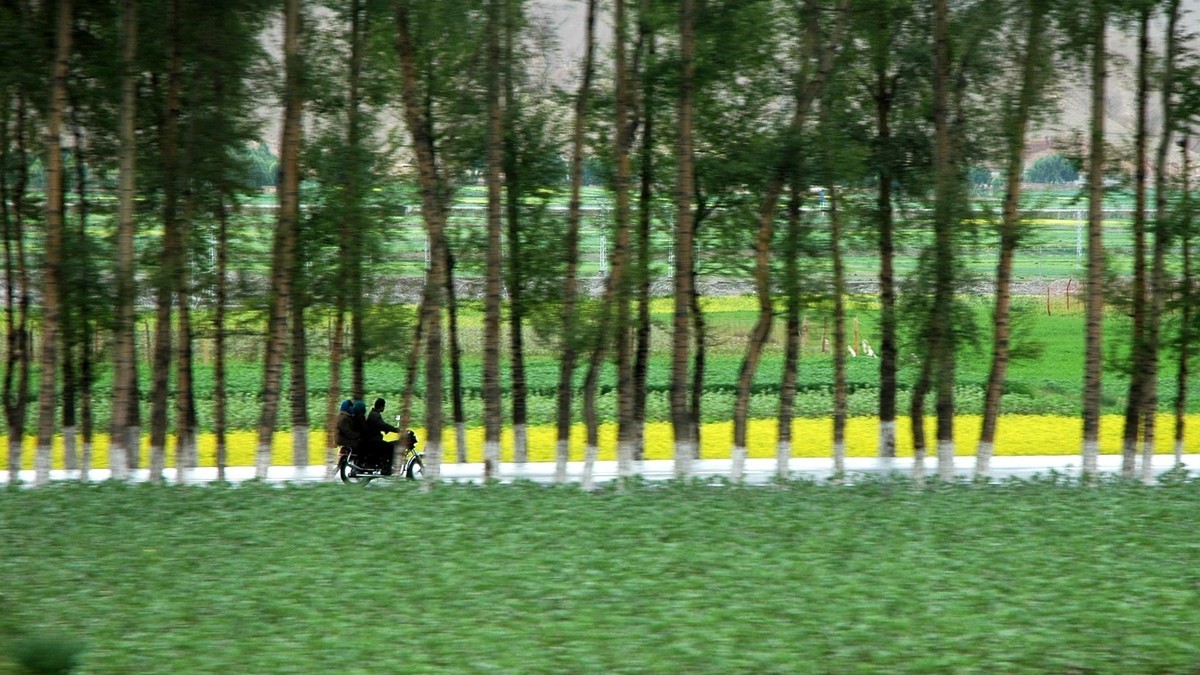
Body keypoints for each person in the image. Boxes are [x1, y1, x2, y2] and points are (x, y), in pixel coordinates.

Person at [364, 398, 400, 474]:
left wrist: (387, 430)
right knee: (391, 447)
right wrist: (396, 430)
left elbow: (379, 425)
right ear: (381, 406)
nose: (384, 408)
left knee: (388, 445)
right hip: (373, 440)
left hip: (372, 439)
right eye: (384, 406)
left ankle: (383, 464)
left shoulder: (374, 414)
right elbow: (383, 425)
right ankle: (387, 469)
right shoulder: (375, 415)